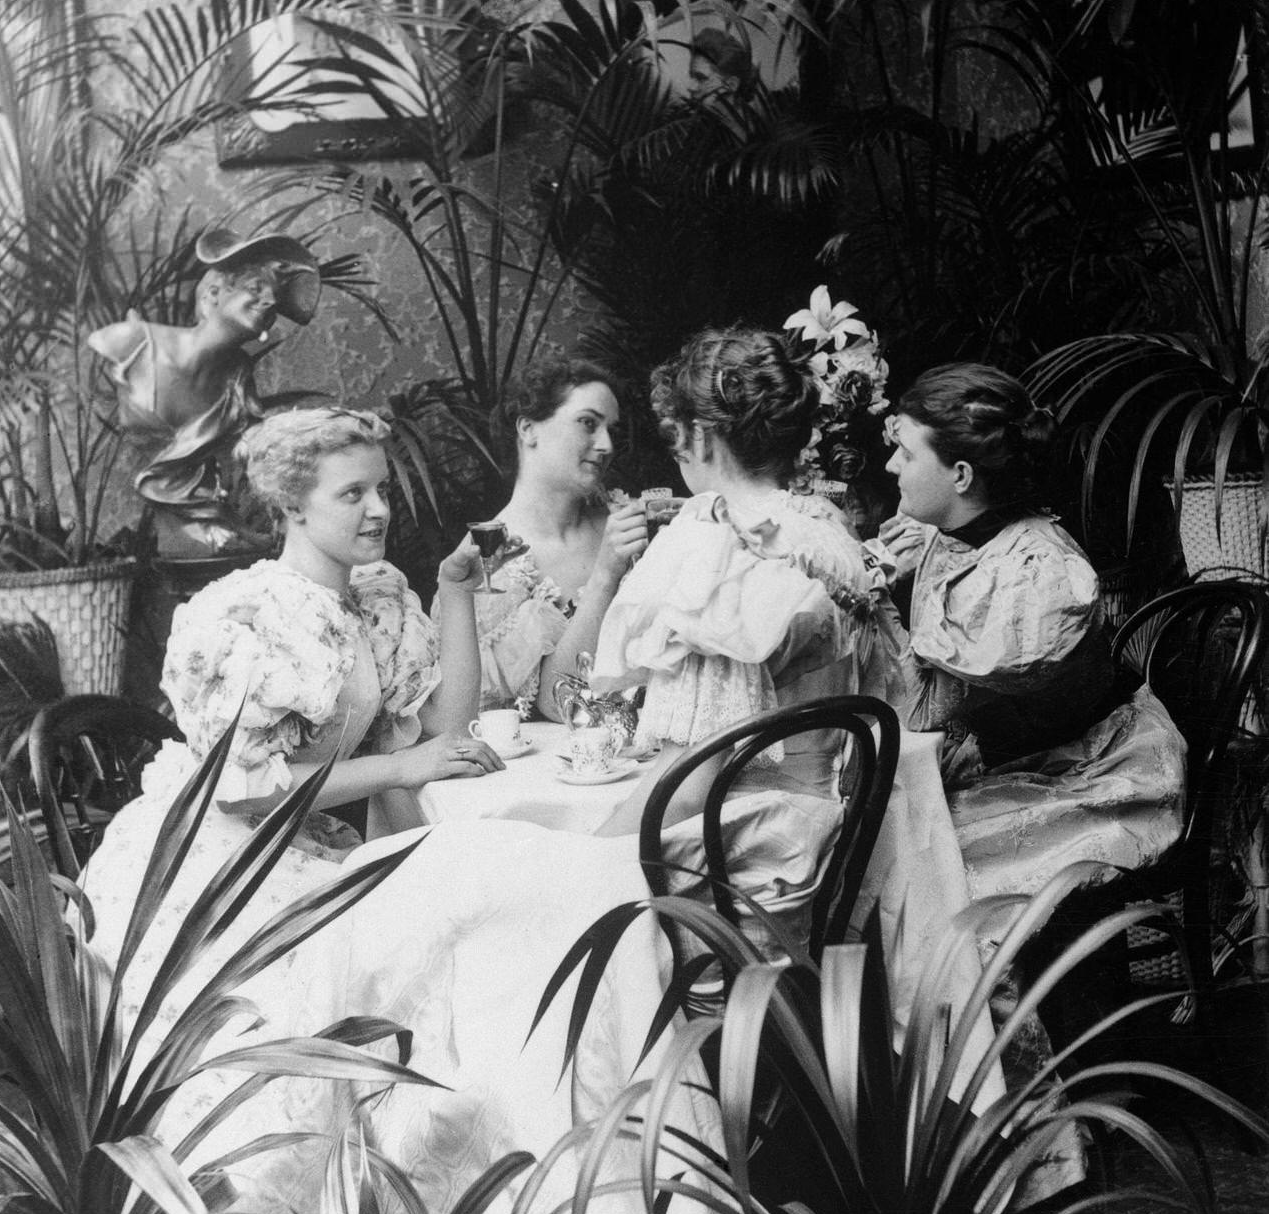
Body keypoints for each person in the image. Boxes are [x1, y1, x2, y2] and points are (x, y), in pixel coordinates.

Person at [77, 402, 788, 1214]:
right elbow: (251, 790)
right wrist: (405, 763)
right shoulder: (243, 611)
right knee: (524, 884)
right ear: (289, 504)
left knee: (560, 894)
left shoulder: (380, 598)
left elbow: (448, 722)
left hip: (342, 853)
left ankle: (607, 1191)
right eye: (351, 492)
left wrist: (452, 592)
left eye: (380, 489)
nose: (378, 508)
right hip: (236, 877)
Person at [588, 324, 911, 955]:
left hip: (735, 863)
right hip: (818, 839)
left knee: (507, 872)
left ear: (703, 435)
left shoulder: (721, 548)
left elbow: (693, 781)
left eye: (674, 433)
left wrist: (585, 854)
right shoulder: (826, 527)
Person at [879, 362, 1186, 902]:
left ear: (961, 476)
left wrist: (876, 603)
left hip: (1092, 774)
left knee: (917, 876)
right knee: (882, 843)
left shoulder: (1039, 570)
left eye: (906, 453)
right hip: (1012, 760)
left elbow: (979, 671)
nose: (890, 465)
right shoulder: (943, 533)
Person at [88, 227, 322, 558]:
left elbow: (255, 441)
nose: (268, 301)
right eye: (255, 288)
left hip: (214, 518)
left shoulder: (237, 378)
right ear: (213, 294)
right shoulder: (133, 342)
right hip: (176, 524)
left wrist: (320, 433)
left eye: (273, 301)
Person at [440, 356, 649, 715]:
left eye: (611, 430)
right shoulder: (488, 562)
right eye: (588, 423)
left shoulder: (627, 524)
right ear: (528, 429)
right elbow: (557, 706)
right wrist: (604, 577)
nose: (607, 445)